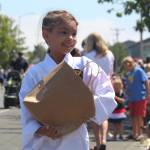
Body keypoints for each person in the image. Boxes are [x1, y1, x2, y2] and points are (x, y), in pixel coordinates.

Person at [19, 10, 117, 150]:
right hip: (43, 143)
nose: (71, 38)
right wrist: (41, 129)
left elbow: (107, 94)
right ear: (46, 35)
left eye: (74, 33)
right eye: (64, 32)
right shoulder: (34, 73)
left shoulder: (85, 65)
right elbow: (26, 112)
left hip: (75, 141)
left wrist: (80, 108)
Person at [83, 33, 115, 150]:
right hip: (106, 86)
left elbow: (85, 72)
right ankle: (104, 140)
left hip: (92, 87)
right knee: (104, 116)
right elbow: (111, 71)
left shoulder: (88, 55)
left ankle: (97, 143)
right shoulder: (109, 54)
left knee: (95, 117)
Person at [122, 56, 150, 141]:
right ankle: (135, 133)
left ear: (131, 63)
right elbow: (128, 85)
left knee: (139, 116)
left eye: (128, 63)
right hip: (132, 98)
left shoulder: (139, 71)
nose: (127, 65)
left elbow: (146, 81)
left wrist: (148, 93)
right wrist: (126, 91)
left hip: (140, 97)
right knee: (133, 116)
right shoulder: (128, 74)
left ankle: (140, 134)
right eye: (125, 64)